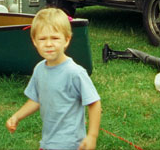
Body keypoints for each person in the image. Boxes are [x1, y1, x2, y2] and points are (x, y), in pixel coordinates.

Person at [6, 8, 101, 150]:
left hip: (71, 143)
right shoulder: (39, 69)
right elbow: (36, 99)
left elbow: (94, 103)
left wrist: (92, 136)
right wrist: (17, 116)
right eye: (43, 39)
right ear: (34, 41)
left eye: (55, 38)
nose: (49, 44)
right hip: (48, 141)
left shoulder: (75, 72)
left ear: (67, 40)